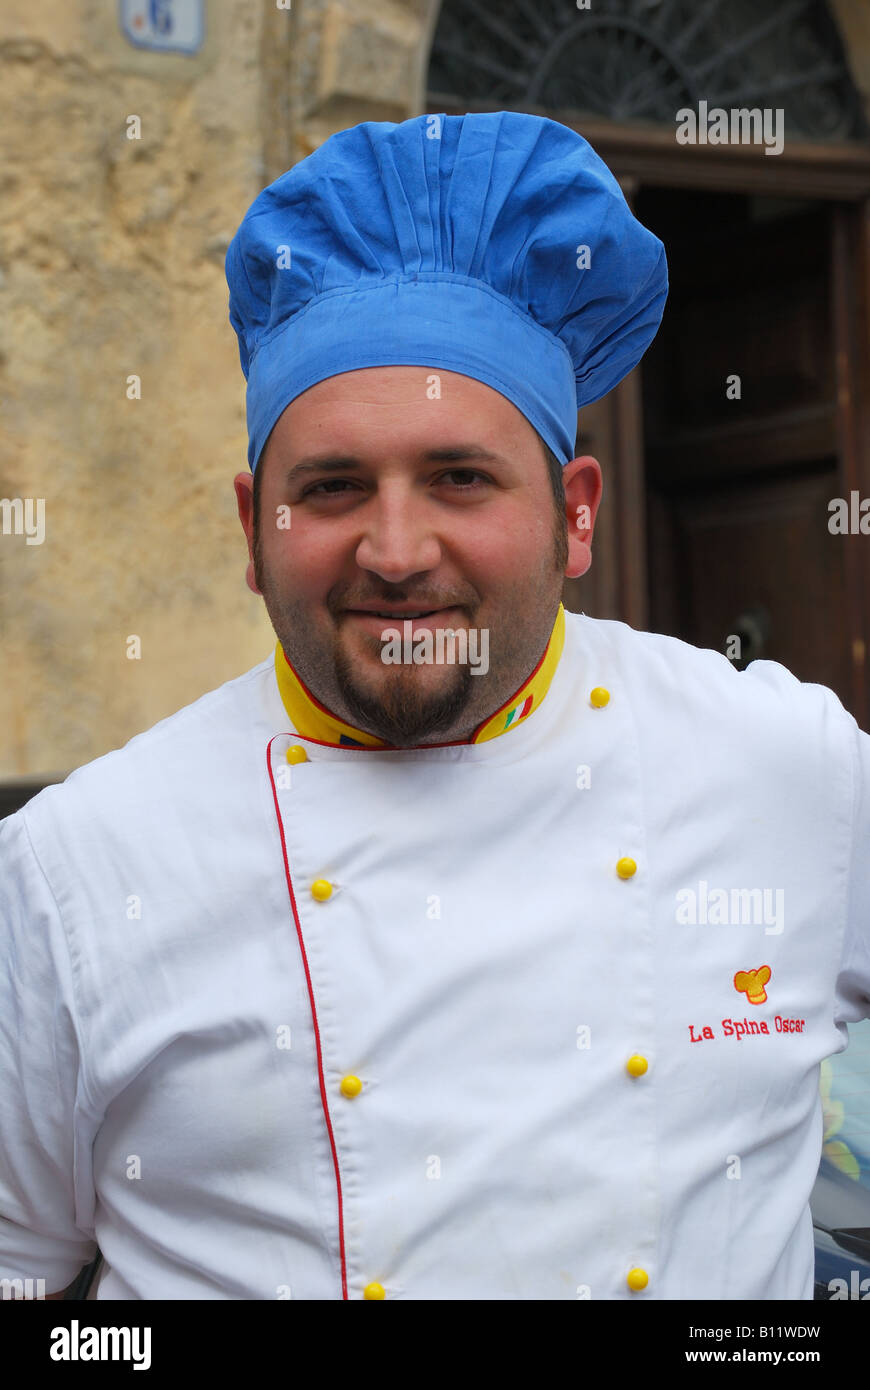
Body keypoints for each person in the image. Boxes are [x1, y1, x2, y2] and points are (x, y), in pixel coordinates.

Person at [1, 111, 867, 1302]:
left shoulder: (784, 764)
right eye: (334, 487)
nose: (397, 552)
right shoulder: (76, 869)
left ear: (575, 511)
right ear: (255, 529)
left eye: (460, 477)